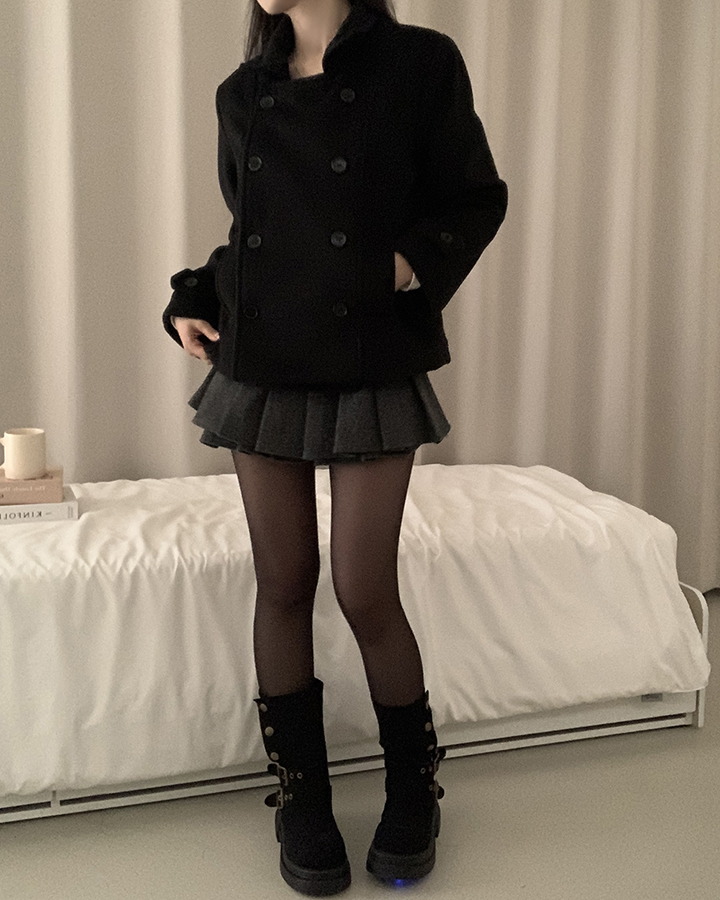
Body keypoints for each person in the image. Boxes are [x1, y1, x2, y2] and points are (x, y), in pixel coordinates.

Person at [162, 0, 507, 893]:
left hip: (371, 354)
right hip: (263, 358)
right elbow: (257, 237)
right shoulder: (243, 92)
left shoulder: (420, 63)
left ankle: (413, 791)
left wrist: (403, 264)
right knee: (283, 583)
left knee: (364, 588)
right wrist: (196, 293)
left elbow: (476, 195)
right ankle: (302, 798)